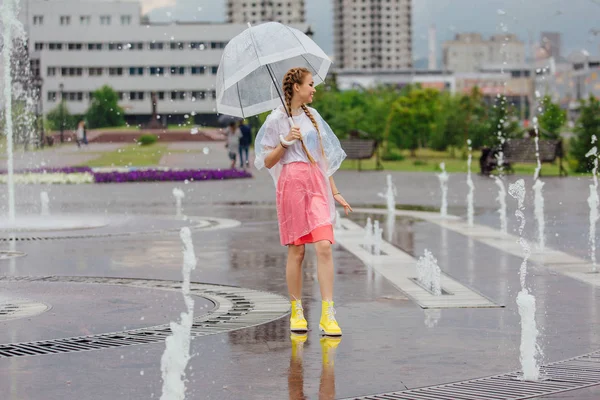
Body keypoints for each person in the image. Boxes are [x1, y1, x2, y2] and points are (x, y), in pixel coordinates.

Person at [254, 67, 352, 336]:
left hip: (316, 184)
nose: (314, 89)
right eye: (310, 84)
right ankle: (297, 310)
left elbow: (322, 157)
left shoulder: (313, 117)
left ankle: (328, 313)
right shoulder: (276, 120)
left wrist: (334, 191)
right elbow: (266, 162)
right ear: (296, 87)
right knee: (297, 251)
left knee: (324, 246)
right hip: (292, 185)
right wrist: (285, 142)